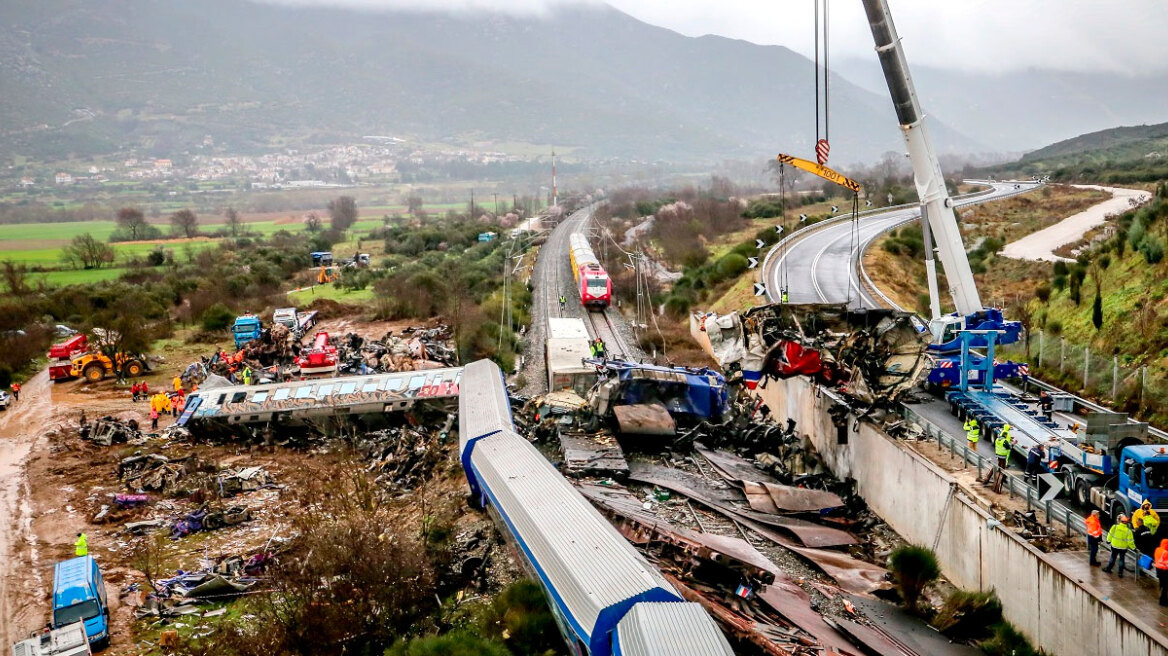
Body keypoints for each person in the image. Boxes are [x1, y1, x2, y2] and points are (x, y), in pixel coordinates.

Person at [1155, 539, 1168, 606]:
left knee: (1161, 584)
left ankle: (1161, 599)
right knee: (1165, 586)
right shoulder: (1165, 552)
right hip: (1164, 570)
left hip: (1158, 569)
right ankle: (1163, 601)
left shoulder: (1157, 549)